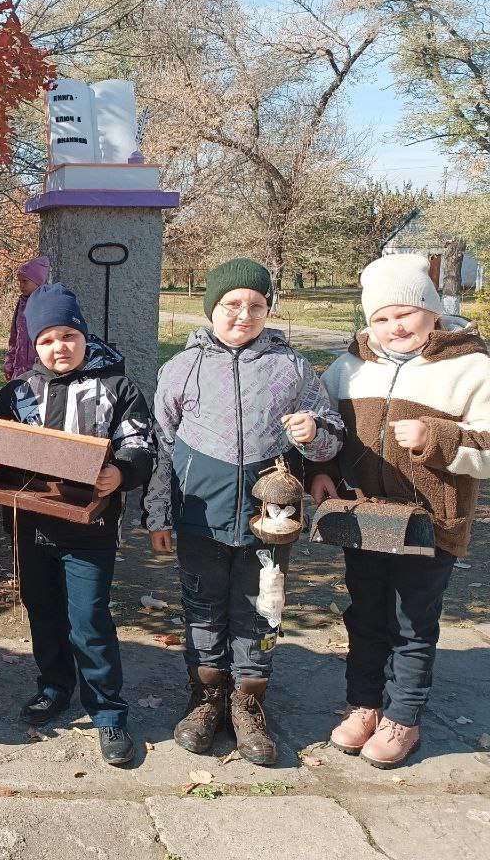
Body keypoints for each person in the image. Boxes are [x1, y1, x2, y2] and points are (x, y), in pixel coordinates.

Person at [146, 258, 343, 765]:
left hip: (270, 523)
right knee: (203, 608)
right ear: (211, 307)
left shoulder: (292, 367)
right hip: (199, 518)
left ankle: (249, 704)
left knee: (260, 611)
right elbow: (161, 448)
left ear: (268, 310)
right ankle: (206, 699)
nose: (243, 315)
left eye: (256, 305)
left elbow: (329, 440)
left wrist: (314, 434)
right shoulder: (182, 369)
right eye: (232, 304)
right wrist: (158, 514)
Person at [311, 254, 490, 769]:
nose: (394, 327)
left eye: (405, 313)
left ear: (432, 311)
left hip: (431, 524)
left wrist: (439, 438)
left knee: (413, 623)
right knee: (366, 615)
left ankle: (403, 717)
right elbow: (329, 433)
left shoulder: (470, 366)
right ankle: (365, 704)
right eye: (381, 318)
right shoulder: (350, 367)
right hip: (363, 519)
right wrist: (318, 472)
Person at [0, 284, 153, 766]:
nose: (59, 347)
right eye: (48, 339)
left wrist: (120, 472)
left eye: (68, 336)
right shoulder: (16, 393)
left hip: (89, 529)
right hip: (31, 526)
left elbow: (141, 445)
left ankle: (107, 709)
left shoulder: (117, 387)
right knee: (43, 612)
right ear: (34, 345)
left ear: (83, 336)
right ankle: (55, 685)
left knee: (90, 620)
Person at [4, 256, 49, 381]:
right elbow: (14, 337)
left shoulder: (48, 303)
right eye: (19, 282)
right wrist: (9, 363)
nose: (21, 286)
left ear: (38, 280)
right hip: (20, 370)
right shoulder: (21, 304)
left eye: (25, 281)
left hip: (41, 371)